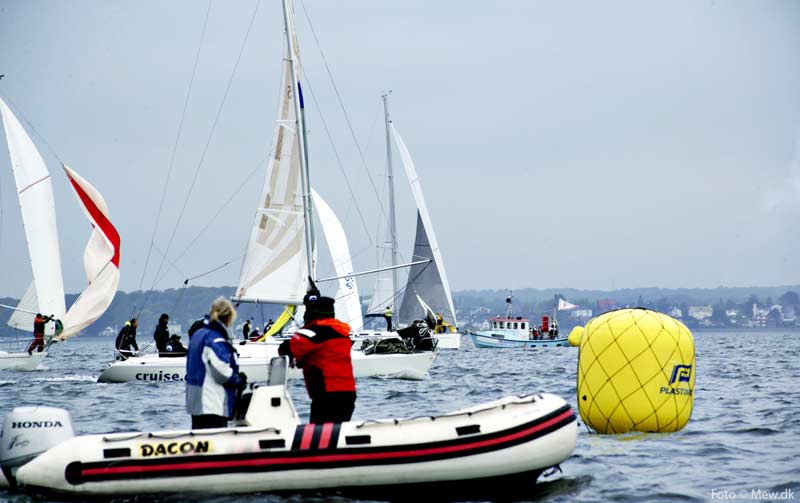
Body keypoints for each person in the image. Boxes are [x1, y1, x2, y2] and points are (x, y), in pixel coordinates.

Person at [279, 290, 356, 424]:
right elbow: (324, 355)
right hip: (348, 393)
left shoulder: (313, 332)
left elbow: (286, 348)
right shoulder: (342, 333)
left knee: (321, 432)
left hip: (327, 394)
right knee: (338, 431)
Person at [186, 297, 247, 429]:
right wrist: (238, 380)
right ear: (228, 317)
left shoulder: (198, 335)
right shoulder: (215, 339)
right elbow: (222, 373)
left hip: (196, 402)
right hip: (212, 403)